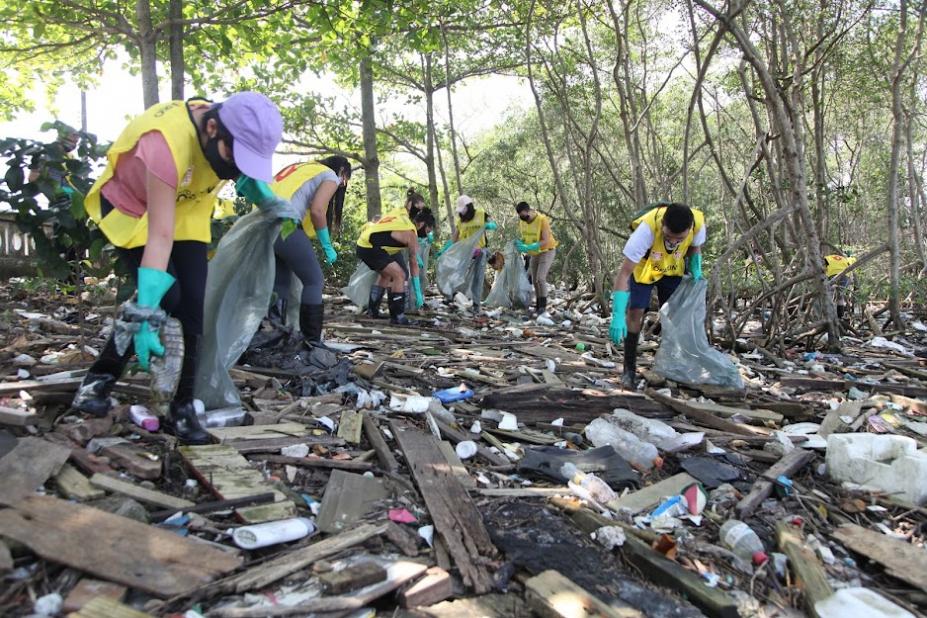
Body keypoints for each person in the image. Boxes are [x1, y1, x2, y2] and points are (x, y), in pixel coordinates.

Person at [70, 92, 284, 444]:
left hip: (187, 210)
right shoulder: (164, 141)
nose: (236, 167)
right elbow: (160, 234)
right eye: (235, 156)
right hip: (133, 207)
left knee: (193, 307)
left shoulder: (226, 132)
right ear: (212, 128)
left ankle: (182, 408)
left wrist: (269, 202)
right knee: (166, 295)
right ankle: (97, 383)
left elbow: (244, 175)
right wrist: (145, 311)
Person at [608, 203, 706, 387]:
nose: (674, 242)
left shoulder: (698, 224)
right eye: (669, 236)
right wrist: (617, 315)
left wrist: (696, 267)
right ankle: (629, 369)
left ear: (689, 228)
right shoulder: (645, 231)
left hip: (672, 268)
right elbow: (624, 273)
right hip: (645, 268)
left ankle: (675, 366)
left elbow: (695, 247)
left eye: (680, 239)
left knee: (676, 315)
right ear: (662, 225)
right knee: (636, 312)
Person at [267, 156, 351, 344]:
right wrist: (327, 245)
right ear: (343, 171)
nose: (343, 184)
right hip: (286, 225)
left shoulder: (301, 168)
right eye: (345, 179)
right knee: (314, 280)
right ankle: (311, 341)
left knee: (280, 283)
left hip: (264, 226)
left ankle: (273, 337)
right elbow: (317, 211)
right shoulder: (330, 175)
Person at [357, 209, 434, 325]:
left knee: (386, 275)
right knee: (400, 275)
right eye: (428, 230)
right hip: (371, 247)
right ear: (422, 224)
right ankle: (398, 316)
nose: (428, 234)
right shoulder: (411, 232)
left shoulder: (404, 218)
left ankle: (372, 311)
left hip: (364, 244)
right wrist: (418, 293)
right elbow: (413, 265)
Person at [437, 195, 497, 312]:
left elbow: (494, 224)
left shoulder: (480, 214)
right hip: (465, 253)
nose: (462, 213)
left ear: (469, 207)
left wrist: (490, 225)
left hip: (480, 252)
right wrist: (445, 249)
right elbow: (455, 238)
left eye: (463, 209)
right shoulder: (461, 221)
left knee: (477, 279)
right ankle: (450, 296)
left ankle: (476, 304)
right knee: (455, 273)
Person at [514, 201, 558, 314]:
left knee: (540, 278)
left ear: (528, 211)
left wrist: (532, 245)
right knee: (534, 280)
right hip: (534, 253)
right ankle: (538, 305)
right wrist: (520, 244)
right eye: (520, 216)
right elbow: (525, 237)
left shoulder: (541, 220)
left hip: (547, 251)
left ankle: (543, 306)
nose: (523, 219)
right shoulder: (522, 222)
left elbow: (546, 239)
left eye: (524, 215)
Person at [823, 251, 856, 320]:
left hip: (832, 275)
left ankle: (829, 316)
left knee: (830, 294)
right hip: (845, 275)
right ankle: (840, 317)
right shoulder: (845, 259)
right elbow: (854, 261)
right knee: (840, 296)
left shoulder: (827, 258)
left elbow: (823, 267)